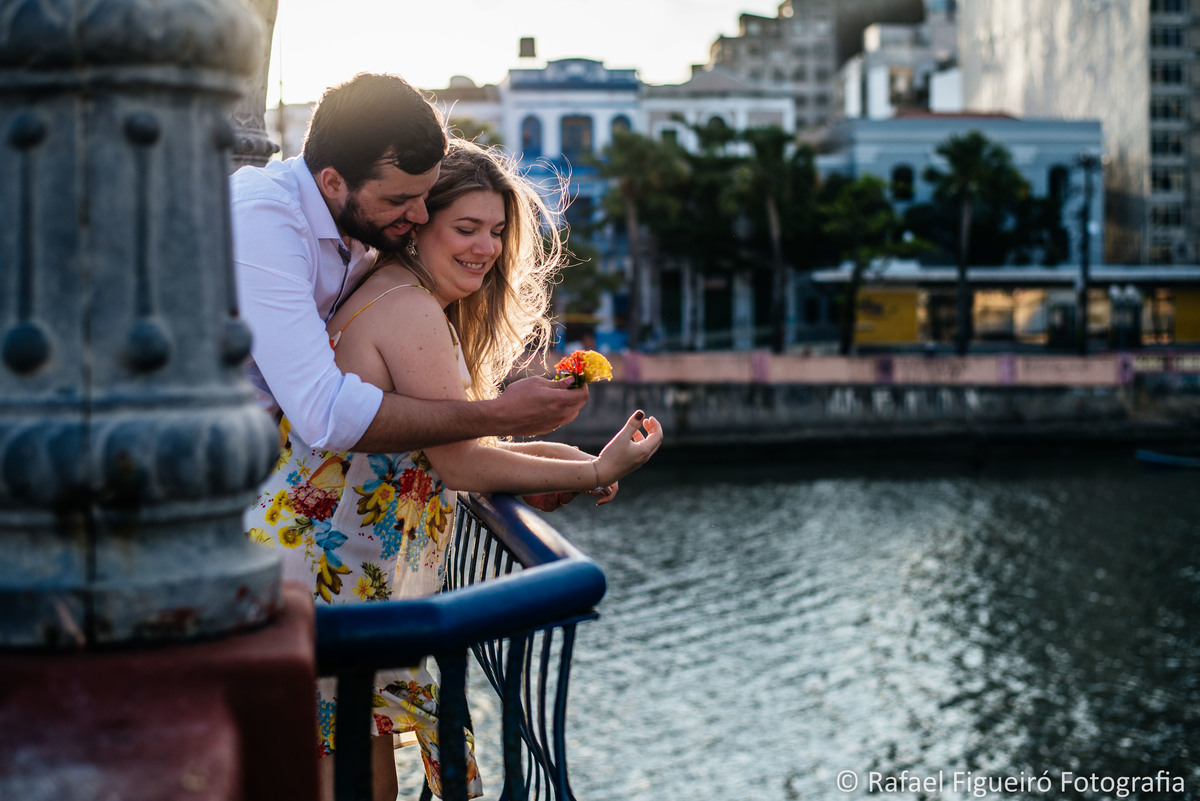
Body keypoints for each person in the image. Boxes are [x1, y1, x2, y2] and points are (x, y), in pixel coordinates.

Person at [245, 138, 664, 800]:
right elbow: (462, 462)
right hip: (330, 588)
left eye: (497, 231)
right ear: (418, 225)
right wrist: (589, 472)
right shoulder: (409, 308)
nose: (486, 247)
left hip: (331, 579)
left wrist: (583, 459)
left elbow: (451, 447)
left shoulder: (391, 292)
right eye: (466, 228)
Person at [230, 72, 588, 458]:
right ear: (333, 183)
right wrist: (499, 415)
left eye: (425, 195)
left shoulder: (362, 225)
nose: (419, 215)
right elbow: (325, 414)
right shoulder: (262, 218)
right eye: (400, 199)